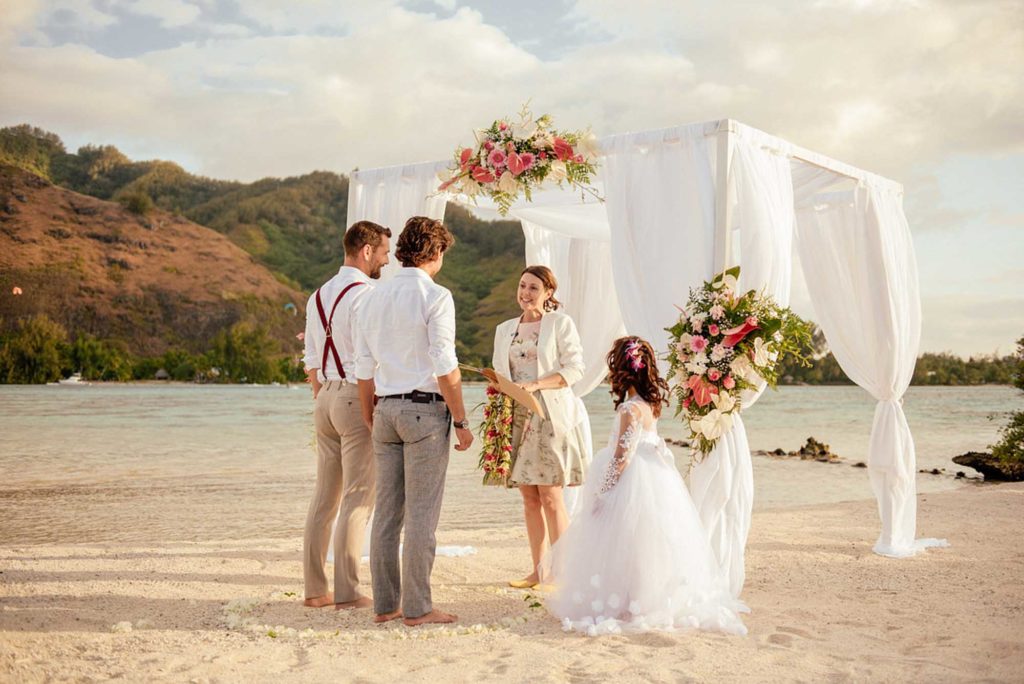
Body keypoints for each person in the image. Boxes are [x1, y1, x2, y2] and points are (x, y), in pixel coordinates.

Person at [542, 336, 748, 636]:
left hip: (632, 480)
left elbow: (622, 457)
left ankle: (626, 601)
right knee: (649, 543)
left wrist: (603, 492)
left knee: (622, 541)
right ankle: (645, 597)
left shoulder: (629, 409)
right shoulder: (650, 403)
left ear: (621, 370)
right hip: (657, 476)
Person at [353, 216, 474, 627]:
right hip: (424, 411)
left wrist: (371, 415)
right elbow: (445, 365)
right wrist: (460, 419)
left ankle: (385, 605)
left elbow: (363, 369)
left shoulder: (370, 297)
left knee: (387, 513)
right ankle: (418, 608)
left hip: (385, 409)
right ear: (436, 252)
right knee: (422, 515)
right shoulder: (436, 297)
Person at [301, 220, 392, 610]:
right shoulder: (368, 294)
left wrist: (325, 396)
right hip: (355, 396)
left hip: (324, 398)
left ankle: (314, 591)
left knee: (325, 497)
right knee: (358, 498)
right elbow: (372, 357)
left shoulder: (317, 295)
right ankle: (349, 592)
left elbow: (309, 361)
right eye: (384, 252)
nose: (386, 260)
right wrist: (368, 404)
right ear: (367, 250)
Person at [491, 266, 589, 589]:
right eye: (522, 286)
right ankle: (539, 571)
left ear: (548, 293)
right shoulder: (505, 329)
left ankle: (563, 572)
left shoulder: (560, 324)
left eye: (533, 288)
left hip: (549, 414)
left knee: (550, 496)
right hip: (516, 415)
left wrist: (537, 384)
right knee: (529, 497)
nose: (525, 293)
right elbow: (499, 370)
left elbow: (575, 367)